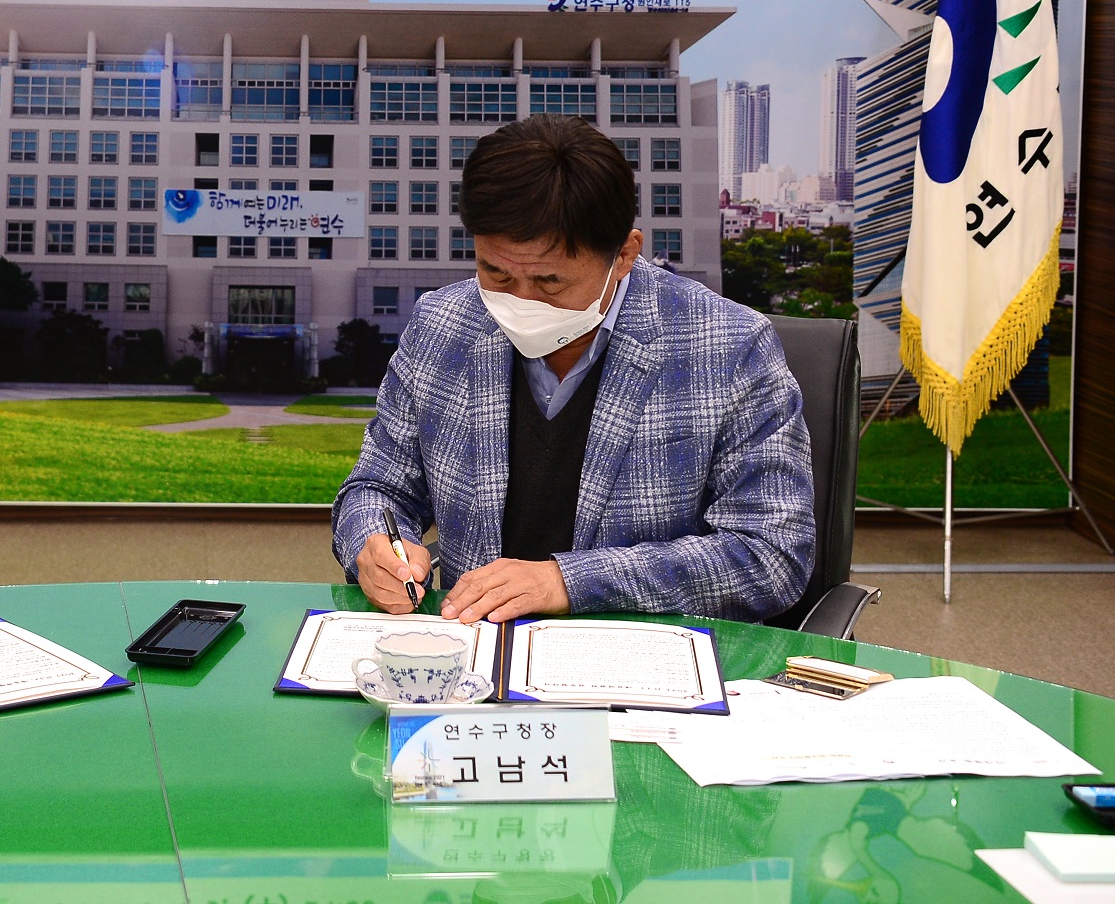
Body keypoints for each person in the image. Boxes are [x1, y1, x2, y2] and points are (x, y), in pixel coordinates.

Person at [333, 114, 813, 625]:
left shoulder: (729, 345)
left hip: (641, 656)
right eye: (495, 272)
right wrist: (374, 542)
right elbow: (376, 488)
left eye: (550, 282)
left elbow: (772, 553)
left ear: (624, 255)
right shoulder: (442, 325)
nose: (520, 300)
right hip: (470, 647)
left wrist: (569, 581)